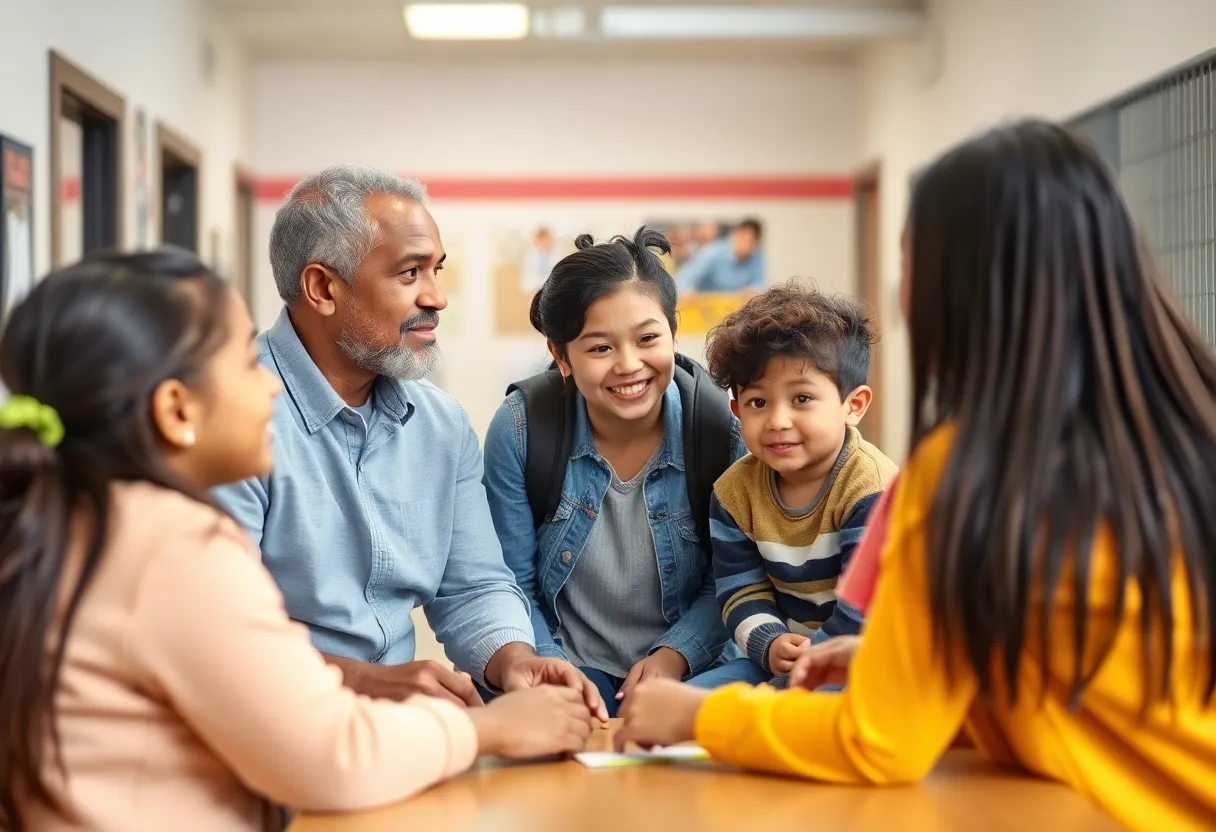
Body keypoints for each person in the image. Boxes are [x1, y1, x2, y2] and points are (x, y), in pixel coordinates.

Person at [613, 120, 1216, 832]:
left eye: (912, 261)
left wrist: (702, 715)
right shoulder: (1185, 430)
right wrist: (887, 659)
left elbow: (879, 742)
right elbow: (1072, 665)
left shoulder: (972, 472)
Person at [0, 250, 594, 832]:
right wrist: (493, 729)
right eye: (242, 363)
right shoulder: (171, 548)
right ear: (176, 409)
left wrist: (511, 663)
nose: (271, 387)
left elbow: (472, 586)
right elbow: (337, 755)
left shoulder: (86, 519)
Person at [213, 165, 604, 718]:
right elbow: (221, 632)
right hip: (268, 717)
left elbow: (473, 587)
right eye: (409, 274)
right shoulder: (230, 414)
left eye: (437, 270)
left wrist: (514, 658)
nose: (437, 298)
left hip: (394, 721)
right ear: (323, 287)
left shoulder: (440, 425)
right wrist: (368, 681)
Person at [482, 228, 748, 717]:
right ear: (561, 356)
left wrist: (674, 656)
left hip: (693, 668)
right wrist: (552, 668)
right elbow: (510, 582)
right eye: (600, 348)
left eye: (648, 338)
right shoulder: (520, 426)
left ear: (672, 331)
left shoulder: (722, 427)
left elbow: (734, 577)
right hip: (570, 664)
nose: (629, 365)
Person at [686, 284, 896, 689]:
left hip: (864, 663)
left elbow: (863, 611)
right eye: (758, 403)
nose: (778, 420)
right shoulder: (734, 491)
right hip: (784, 661)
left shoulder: (870, 486)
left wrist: (788, 686)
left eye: (801, 398)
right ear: (736, 411)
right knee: (692, 698)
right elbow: (739, 590)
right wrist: (770, 642)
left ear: (853, 405)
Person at [675, 218, 765, 295]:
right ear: (735, 234)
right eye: (743, 237)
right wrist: (687, 291)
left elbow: (760, 284)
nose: (746, 244)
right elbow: (685, 276)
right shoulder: (713, 252)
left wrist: (753, 290)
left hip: (734, 310)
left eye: (751, 240)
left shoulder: (755, 260)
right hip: (706, 310)